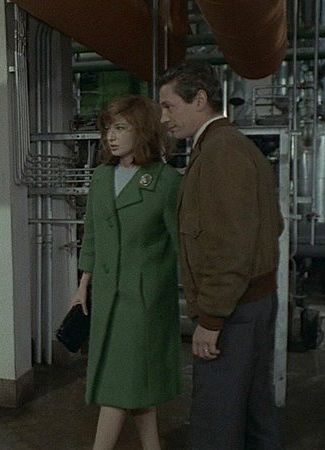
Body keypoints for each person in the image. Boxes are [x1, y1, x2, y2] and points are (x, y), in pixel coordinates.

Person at [157, 60, 284, 449]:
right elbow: (272, 225)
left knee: (217, 419)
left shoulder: (220, 152)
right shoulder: (228, 145)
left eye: (169, 106)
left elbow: (231, 245)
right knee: (254, 410)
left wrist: (211, 319)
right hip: (251, 302)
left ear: (199, 100)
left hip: (233, 310)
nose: (163, 119)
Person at [70, 94, 181, 450]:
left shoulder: (165, 181)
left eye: (120, 128)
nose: (110, 137)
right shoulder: (102, 177)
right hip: (107, 296)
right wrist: (83, 285)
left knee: (116, 387)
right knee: (135, 386)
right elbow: (92, 234)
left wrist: (196, 297)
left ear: (143, 130)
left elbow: (182, 244)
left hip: (143, 302)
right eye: (108, 129)